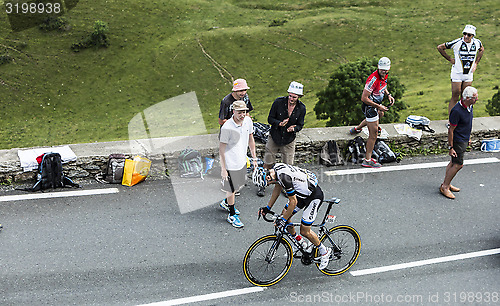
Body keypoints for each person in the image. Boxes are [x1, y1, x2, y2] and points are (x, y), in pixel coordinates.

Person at [253, 164, 331, 270]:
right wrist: (268, 207)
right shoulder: (275, 171)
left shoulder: (284, 178)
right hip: (301, 194)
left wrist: (283, 220)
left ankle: (324, 251)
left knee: (304, 231)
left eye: (267, 183)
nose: (268, 185)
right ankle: (299, 243)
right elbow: (277, 188)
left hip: (313, 196)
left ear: (267, 177)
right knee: (284, 217)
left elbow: (293, 202)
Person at [258, 81, 306, 196]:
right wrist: (279, 124)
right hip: (275, 136)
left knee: (288, 166)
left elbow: (300, 125)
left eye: (294, 97)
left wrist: (294, 129)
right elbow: (270, 119)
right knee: (268, 162)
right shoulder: (278, 102)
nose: (291, 99)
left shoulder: (301, 108)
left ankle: (285, 187)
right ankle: (262, 184)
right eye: (290, 96)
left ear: (299, 97)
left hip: (289, 139)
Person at [349, 57, 395, 168]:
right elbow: (364, 98)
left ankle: (357, 128)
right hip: (370, 107)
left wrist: (388, 95)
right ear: (378, 67)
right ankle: (367, 159)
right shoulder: (373, 79)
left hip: (376, 106)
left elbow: (383, 86)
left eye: (386, 70)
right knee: (373, 134)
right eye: (382, 69)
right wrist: (379, 106)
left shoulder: (384, 75)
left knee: (379, 115)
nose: (384, 71)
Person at [219, 100, 258, 227]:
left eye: (245, 112)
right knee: (231, 188)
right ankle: (231, 215)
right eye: (240, 112)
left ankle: (226, 202)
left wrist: (254, 158)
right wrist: (223, 169)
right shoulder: (227, 127)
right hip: (230, 163)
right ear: (233, 112)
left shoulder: (248, 121)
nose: (243, 115)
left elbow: (251, 139)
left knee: (237, 187)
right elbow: (222, 149)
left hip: (241, 160)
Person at [440, 86, 478, 199]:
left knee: (453, 163)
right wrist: (451, 147)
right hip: (458, 141)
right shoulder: (456, 111)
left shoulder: (469, 106)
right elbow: (451, 130)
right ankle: (445, 187)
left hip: (464, 139)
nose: (477, 100)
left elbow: (467, 124)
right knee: (458, 164)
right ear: (467, 98)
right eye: (474, 98)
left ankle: (446, 184)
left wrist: (468, 137)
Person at [437, 25, 484, 114]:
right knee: (455, 96)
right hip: (457, 73)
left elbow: (481, 49)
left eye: (469, 35)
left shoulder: (477, 43)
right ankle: (451, 120)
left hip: (468, 74)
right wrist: (450, 59)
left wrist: (476, 63)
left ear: (473, 36)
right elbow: (440, 47)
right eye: (464, 34)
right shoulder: (457, 42)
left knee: (467, 97)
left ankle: (464, 119)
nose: (466, 36)